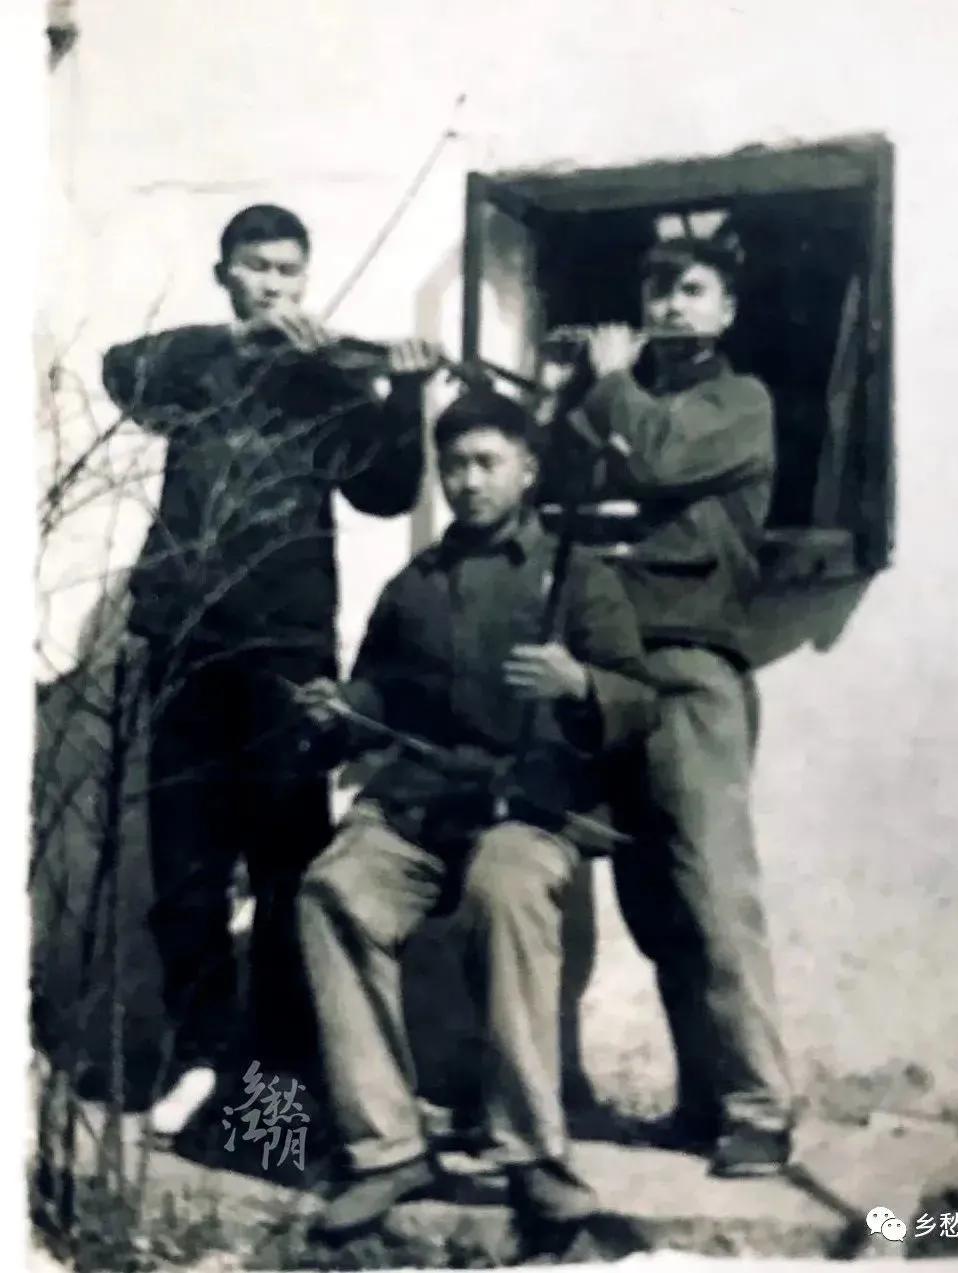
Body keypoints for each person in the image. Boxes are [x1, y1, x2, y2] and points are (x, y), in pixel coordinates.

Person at [100, 204, 441, 1135]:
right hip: (186, 646)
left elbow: (385, 492)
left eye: (289, 271)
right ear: (226, 274)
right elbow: (120, 370)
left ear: (307, 277)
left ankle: (275, 1102)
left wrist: (404, 394)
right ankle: (198, 1062)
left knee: (287, 874)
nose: (275, 286)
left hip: (286, 658)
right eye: (257, 268)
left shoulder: (326, 383)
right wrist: (240, 342)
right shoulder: (200, 367)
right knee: (185, 875)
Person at [292, 387, 655, 1236]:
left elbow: (640, 702)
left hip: (529, 811)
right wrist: (340, 707)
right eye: (453, 464)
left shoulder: (579, 575)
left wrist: (581, 684)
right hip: (423, 807)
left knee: (507, 888)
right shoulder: (415, 584)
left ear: (527, 469)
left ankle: (530, 1154)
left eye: (488, 462)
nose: (468, 480)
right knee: (333, 889)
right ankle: (388, 1149)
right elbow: (378, 692)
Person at [571, 221, 795, 1177]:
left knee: (712, 888)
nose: (670, 303)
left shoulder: (739, 401)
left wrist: (609, 383)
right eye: (658, 289)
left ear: (726, 309)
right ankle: (704, 1102)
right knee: (653, 898)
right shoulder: (624, 401)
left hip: (692, 667)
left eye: (692, 288)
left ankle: (762, 1106)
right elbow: (569, 481)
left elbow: (659, 460)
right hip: (614, 668)